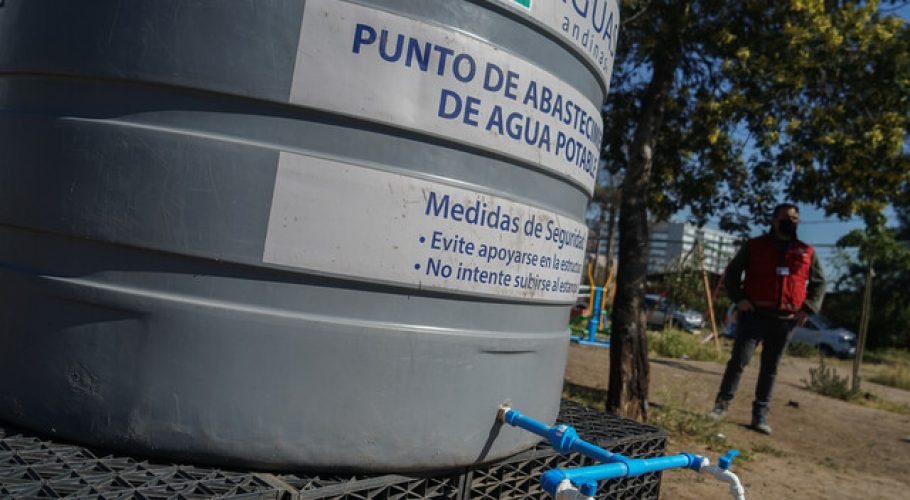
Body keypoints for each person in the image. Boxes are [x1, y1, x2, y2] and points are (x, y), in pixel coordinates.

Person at [710, 203, 825, 434]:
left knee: (770, 368)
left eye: (795, 219)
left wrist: (808, 309)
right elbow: (732, 273)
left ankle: (760, 416)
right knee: (739, 360)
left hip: (785, 320)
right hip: (754, 314)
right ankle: (721, 406)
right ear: (774, 220)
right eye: (786, 218)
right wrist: (739, 298)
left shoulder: (806, 251)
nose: (790, 222)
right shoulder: (754, 246)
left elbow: (819, 283)